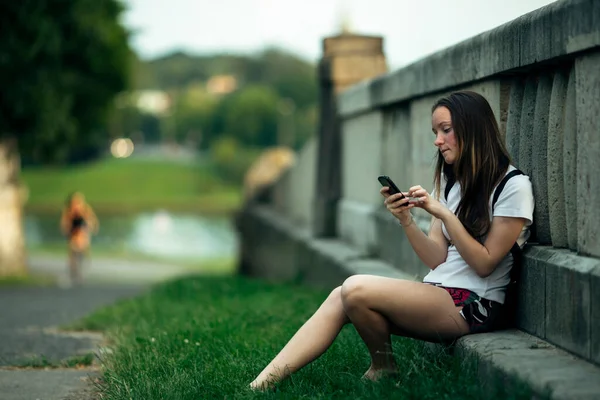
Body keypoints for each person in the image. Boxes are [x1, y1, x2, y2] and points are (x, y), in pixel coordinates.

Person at [249, 90, 535, 390]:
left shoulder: (513, 187)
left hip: (475, 304)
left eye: (446, 130)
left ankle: (383, 367)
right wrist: (407, 220)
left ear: (473, 128)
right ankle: (260, 386)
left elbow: (486, 264)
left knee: (355, 288)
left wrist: (446, 214)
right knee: (340, 296)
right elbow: (437, 258)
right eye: (435, 132)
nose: (438, 141)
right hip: (442, 293)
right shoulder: (454, 184)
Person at [60, 192, 99, 285]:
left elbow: (93, 221)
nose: (77, 204)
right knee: (73, 252)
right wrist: (66, 229)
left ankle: (82, 270)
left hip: (83, 234)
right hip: (73, 234)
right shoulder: (69, 211)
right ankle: (73, 272)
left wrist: (92, 227)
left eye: (79, 201)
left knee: (83, 252)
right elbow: (64, 224)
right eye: (75, 201)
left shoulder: (85, 210)